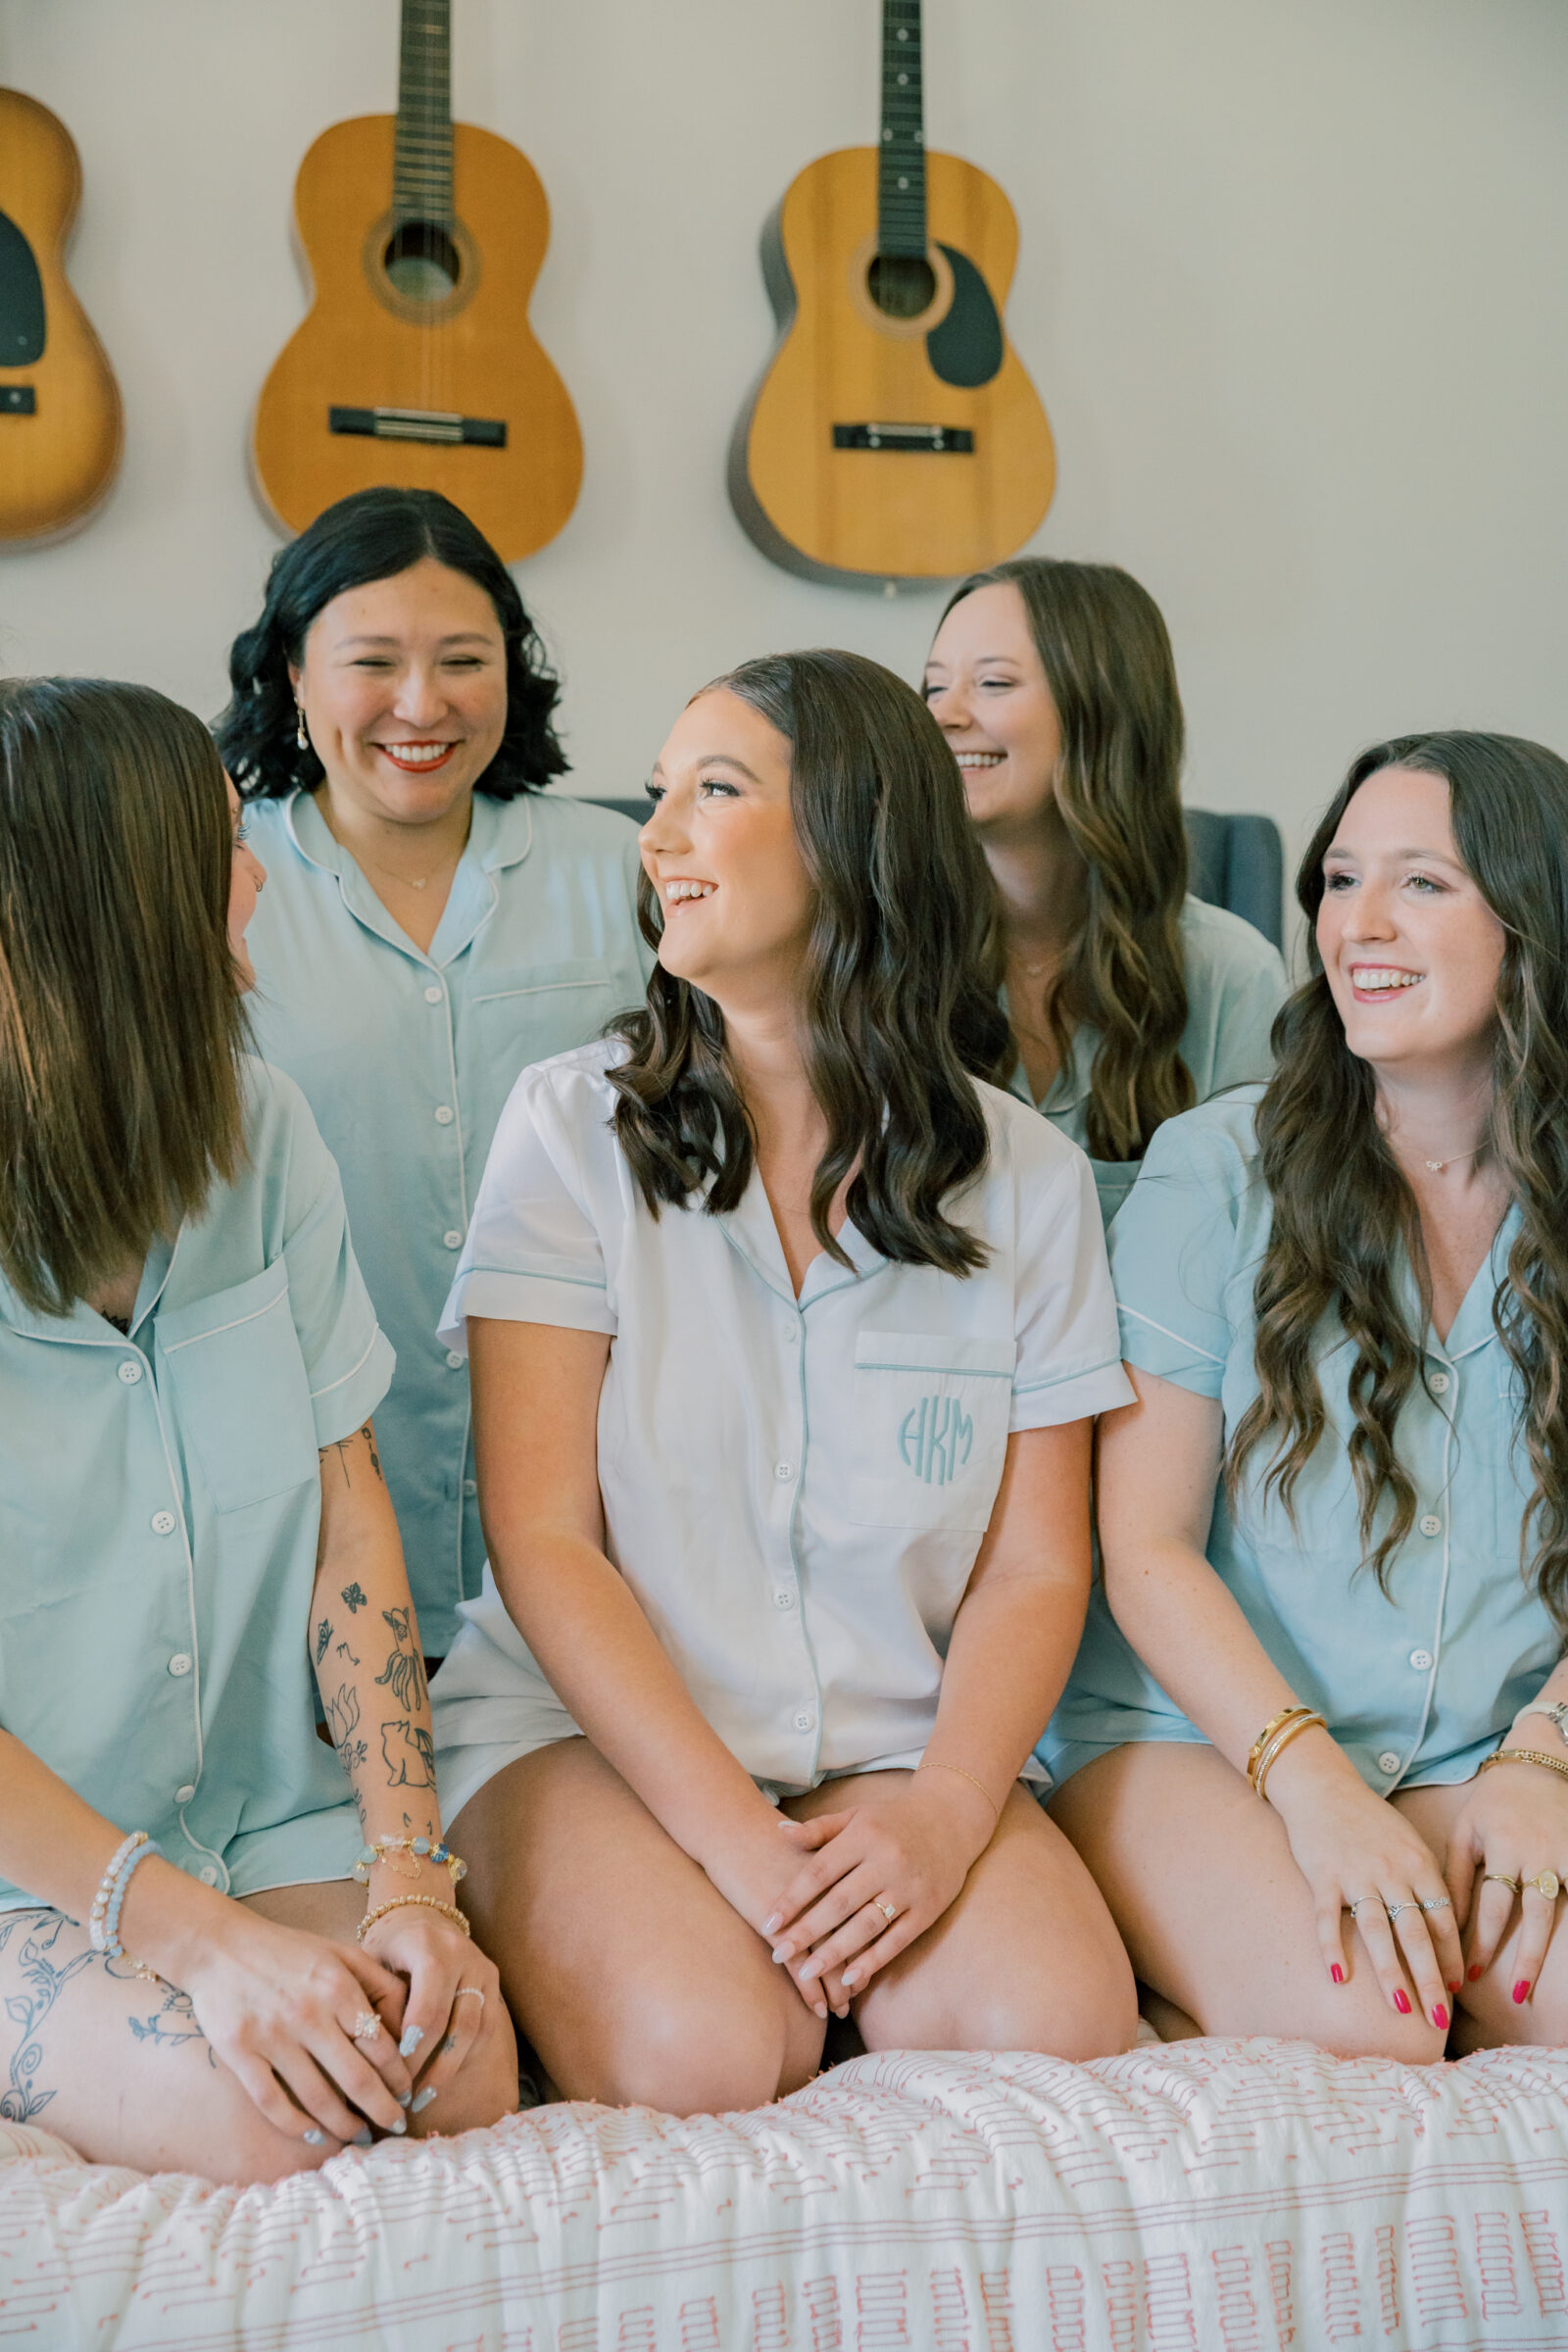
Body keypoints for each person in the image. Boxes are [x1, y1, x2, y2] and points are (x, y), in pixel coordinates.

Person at [428, 650, 1139, 2117]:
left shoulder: (1033, 1180)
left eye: (717, 789)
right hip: (589, 1742)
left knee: (1055, 2024)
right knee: (709, 2048)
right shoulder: (568, 1131)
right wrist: (738, 1848)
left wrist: (947, 1813)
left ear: (855, 835)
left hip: (890, 1745)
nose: (658, 830)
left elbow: (1036, 1564)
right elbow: (544, 1540)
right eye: (663, 790)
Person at [0, 678, 514, 2182]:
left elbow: (351, 1506)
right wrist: (207, 1951)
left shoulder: (260, 1128)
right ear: (122, 900)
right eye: (225, 846)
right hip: (28, 1879)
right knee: (270, 2121)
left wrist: (414, 1878)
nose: (264, 876)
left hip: (262, 1817)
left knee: (456, 2078)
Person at [1046, 732, 1568, 2062]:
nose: (1360, 924)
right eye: (1339, 880)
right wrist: (1318, 1790)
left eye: (1424, 885)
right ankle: (1156, 1977)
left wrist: (1542, 1759)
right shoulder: (1214, 1167)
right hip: (1199, 1742)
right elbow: (1142, 1552)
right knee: (1375, 2024)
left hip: (1468, 1749)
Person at [218, 488, 650, 1658]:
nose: (423, 705)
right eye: (373, 663)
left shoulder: (625, 870)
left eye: (465, 659)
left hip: (603, 1510)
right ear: (292, 676)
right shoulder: (218, 879)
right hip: (308, 1506)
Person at [921, 558, 1288, 1223]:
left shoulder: (1235, 975)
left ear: (1103, 712)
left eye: (993, 683)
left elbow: (1251, 1248)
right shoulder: (883, 948)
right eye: (932, 688)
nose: (942, 716)